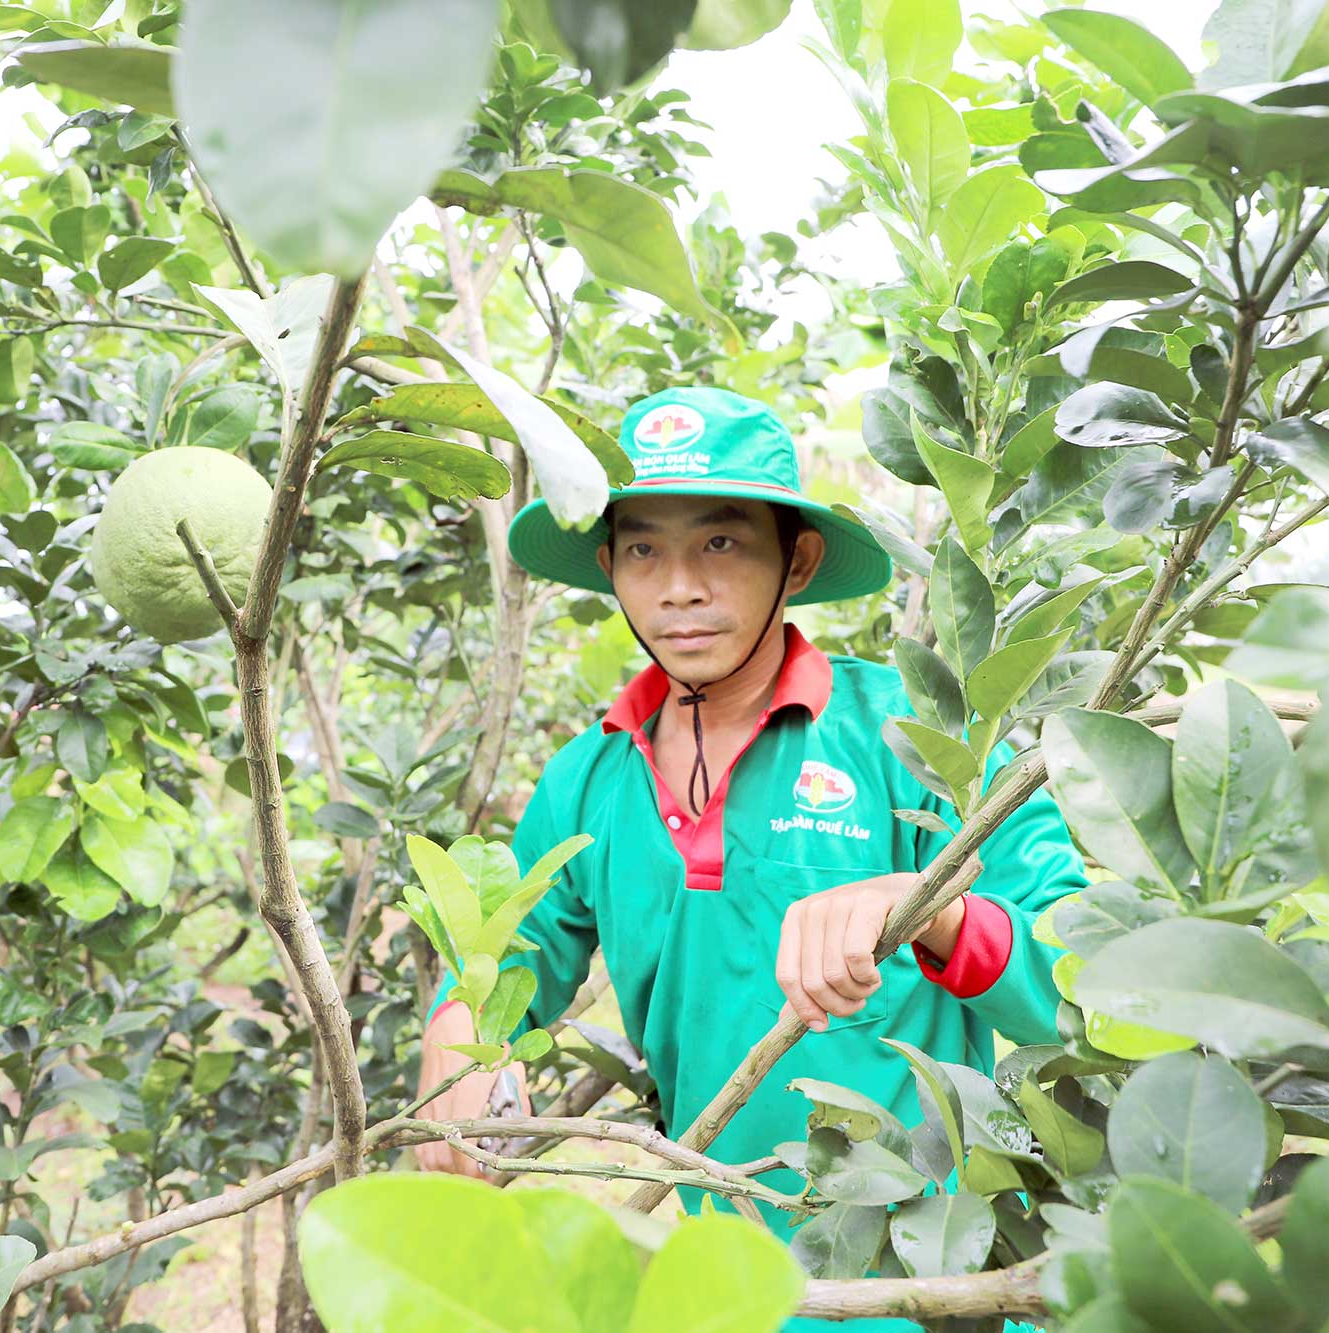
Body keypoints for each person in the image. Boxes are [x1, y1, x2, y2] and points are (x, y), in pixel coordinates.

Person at [413, 386, 1085, 1332]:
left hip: (927, 1279)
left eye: (721, 542)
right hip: (723, 1288)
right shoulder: (587, 781)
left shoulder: (922, 739)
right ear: (608, 564)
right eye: (643, 546)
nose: (679, 585)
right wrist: (459, 1021)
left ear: (797, 559)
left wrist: (931, 906)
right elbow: (510, 956)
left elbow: (1077, 975)